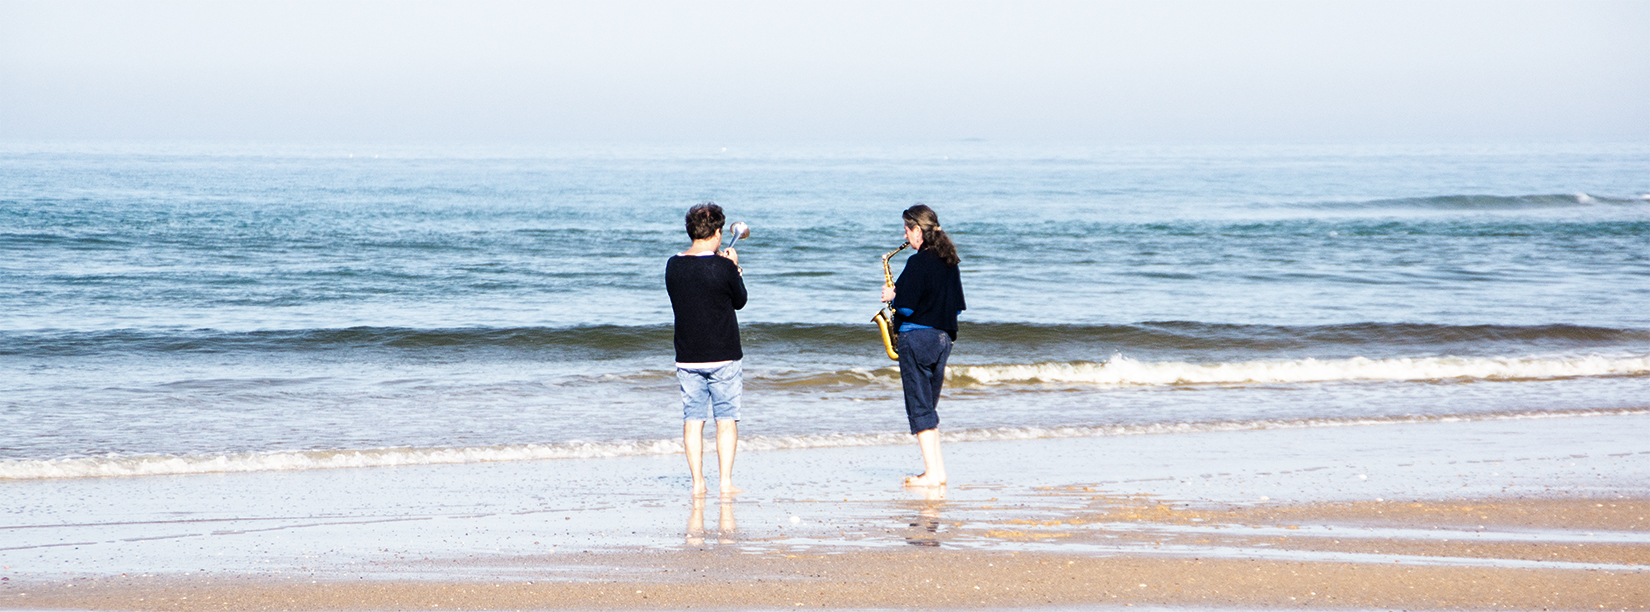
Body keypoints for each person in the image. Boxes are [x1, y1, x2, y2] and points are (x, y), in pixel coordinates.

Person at [879, 204, 965, 487]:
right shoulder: (950, 261)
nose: (904, 234)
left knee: (919, 408)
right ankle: (938, 472)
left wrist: (892, 296)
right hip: (943, 340)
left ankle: (931, 474)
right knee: (928, 407)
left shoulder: (917, 262)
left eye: (907, 228)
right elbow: (958, 308)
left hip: (917, 339)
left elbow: (904, 308)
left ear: (918, 230)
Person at [665, 202, 747, 497]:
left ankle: (698, 482)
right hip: (724, 353)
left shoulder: (673, 264)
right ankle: (725, 482)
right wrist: (734, 268)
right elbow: (740, 300)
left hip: (687, 355)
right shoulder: (723, 266)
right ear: (716, 232)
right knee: (726, 419)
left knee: (693, 419)